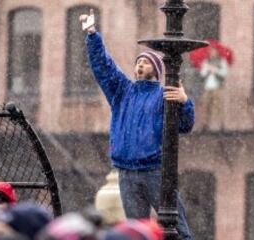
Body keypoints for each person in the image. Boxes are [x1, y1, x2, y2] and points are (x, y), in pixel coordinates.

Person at [79, 9, 194, 240]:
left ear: (157, 70)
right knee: (135, 231)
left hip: (155, 171)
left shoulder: (164, 95)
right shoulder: (123, 92)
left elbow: (184, 125)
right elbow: (104, 68)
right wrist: (92, 34)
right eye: (138, 62)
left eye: (146, 62)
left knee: (178, 227)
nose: (140, 65)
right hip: (127, 172)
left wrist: (185, 102)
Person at [199, 47, 228, 130]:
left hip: (217, 87)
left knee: (219, 106)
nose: (213, 54)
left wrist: (215, 70)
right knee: (206, 106)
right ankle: (205, 124)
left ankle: (221, 125)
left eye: (214, 52)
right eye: (211, 53)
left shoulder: (221, 62)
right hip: (207, 87)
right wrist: (207, 70)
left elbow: (224, 74)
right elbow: (202, 75)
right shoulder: (206, 62)